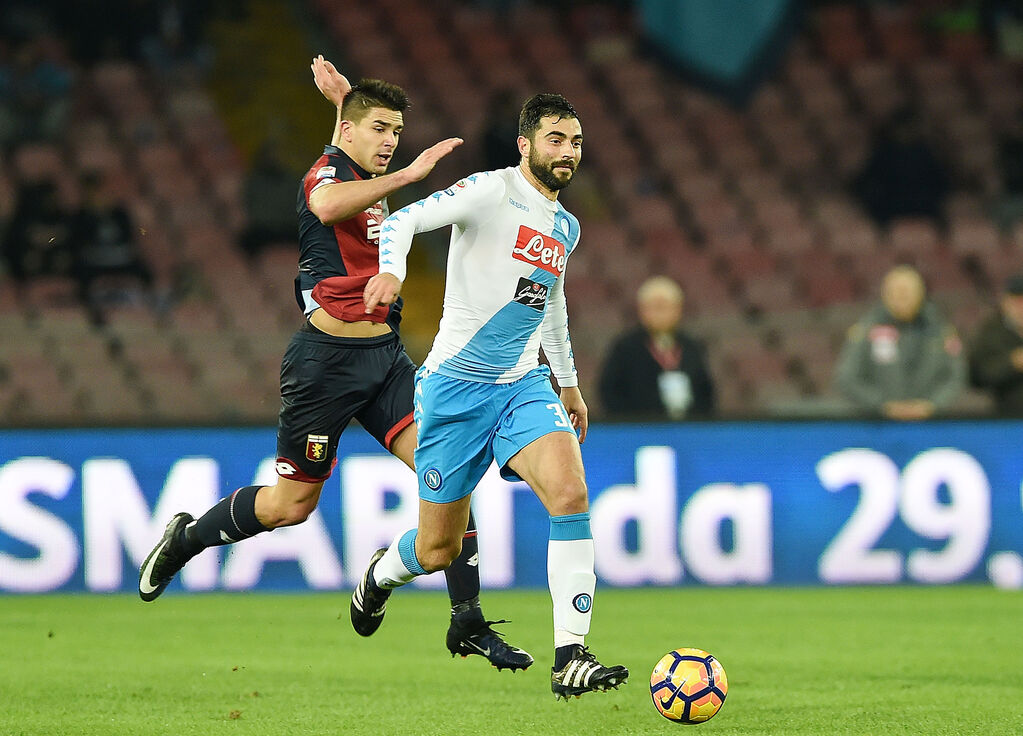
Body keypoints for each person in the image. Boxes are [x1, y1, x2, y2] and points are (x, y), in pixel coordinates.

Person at [138, 57, 533, 672]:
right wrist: (408, 172)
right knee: (291, 507)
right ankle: (188, 538)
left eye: (397, 131)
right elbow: (326, 204)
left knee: (447, 472)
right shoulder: (329, 174)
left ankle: (467, 619)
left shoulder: (351, 161)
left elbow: (350, 154)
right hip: (325, 364)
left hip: (385, 358)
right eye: (379, 128)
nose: (391, 140)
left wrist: (350, 109)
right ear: (348, 132)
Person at [352, 93, 629, 699]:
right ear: (525, 143)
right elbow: (400, 220)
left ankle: (571, 656)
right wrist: (393, 269)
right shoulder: (490, 189)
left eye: (576, 141)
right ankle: (378, 574)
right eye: (555, 139)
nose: (567, 152)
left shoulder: (566, 227)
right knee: (436, 547)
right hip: (453, 392)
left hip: (521, 384)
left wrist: (569, 381)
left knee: (571, 492)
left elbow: (548, 299)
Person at [835, 264, 966, 420]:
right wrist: (882, 405)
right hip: (878, 425)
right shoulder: (866, 330)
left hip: (931, 424)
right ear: (885, 294)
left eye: (907, 292)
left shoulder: (941, 331)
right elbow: (848, 378)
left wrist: (932, 405)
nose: (902, 298)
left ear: (921, 294)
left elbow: (955, 376)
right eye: (896, 292)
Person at [598, 275, 715, 420]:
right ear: (642, 310)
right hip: (639, 428)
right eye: (655, 307)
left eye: (665, 307)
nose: (660, 314)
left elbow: (706, 391)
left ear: (678, 310)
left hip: (688, 428)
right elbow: (610, 391)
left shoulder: (692, 346)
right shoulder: (626, 348)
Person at [967, 273, 1023, 416]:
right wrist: (1012, 363)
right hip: (1002, 415)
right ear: (1005, 303)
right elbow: (977, 375)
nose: (1021, 309)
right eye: (1017, 302)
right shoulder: (990, 332)